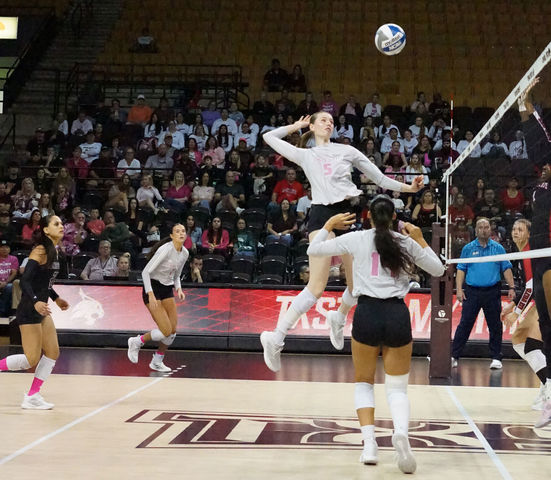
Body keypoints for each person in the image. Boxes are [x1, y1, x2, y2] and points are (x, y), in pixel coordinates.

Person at [259, 113, 424, 372]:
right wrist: (297, 126)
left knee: (357, 286)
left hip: (347, 214)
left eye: (331, 121)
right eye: (322, 120)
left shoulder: (346, 150)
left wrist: (410, 190)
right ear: (313, 126)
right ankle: (275, 337)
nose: (329, 123)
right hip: (323, 216)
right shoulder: (306, 155)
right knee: (316, 288)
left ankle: (339, 316)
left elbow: (379, 178)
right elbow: (268, 137)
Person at [306, 196, 444, 471]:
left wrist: (329, 223)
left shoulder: (356, 238)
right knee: (397, 388)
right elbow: (439, 270)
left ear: (369, 216)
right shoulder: (405, 241)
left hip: (367, 313)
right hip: (396, 314)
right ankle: (401, 432)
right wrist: (420, 238)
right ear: (394, 217)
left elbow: (315, 249)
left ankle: (369, 445)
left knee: (364, 383)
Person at [0, 215, 69, 409]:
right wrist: (37, 301)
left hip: (42, 308)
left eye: (62, 223)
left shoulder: (55, 251)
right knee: (30, 359)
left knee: (53, 352)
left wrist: (55, 298)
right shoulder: (40, 250)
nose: (61, 226)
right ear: (46, 230)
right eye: (56, 224)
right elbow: (25, 281)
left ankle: (32, 395)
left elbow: (44, 283)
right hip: (30, 309)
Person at [518, 77, 551, 427]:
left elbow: (538, 135)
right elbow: (534, 136)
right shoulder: (541, 180)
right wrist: (522, 102)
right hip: (541, 255)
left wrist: (527, 106)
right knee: (544, 324)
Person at [452, 217, 515, 369]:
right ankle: (453, 356)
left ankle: (496, 357)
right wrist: (459, 289)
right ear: (475, 230)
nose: (484, 229)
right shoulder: (467, 248)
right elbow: (461, 269)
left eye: (486, 227)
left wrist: (512, 287)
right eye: (480, 227)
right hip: (472, 291)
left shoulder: (498, 248)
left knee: (495, 325)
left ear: (490, 229)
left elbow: (506, 268)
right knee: (465, 324)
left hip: (492, 291)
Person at [127, 224, 188, 372]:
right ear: (172, 236)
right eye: (177, 231)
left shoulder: (185, 253)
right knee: (165, 330)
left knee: (172, 331)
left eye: (183, 231)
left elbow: (176, 275)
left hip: (166, 288)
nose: (181, 234)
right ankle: (137, 341)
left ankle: (157, 360)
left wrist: (178, 288)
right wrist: (151, 294)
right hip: (152, 287)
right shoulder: (165, 250)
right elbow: (145, 272)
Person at [501, 219, 547, 410]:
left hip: (547, 298)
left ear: (529, 234)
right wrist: (511, 305)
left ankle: (548, 388)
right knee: (519, 339)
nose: (515, 232)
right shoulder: (523, 253)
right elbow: (529, 286)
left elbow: (531, 285)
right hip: (541, 297)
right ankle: (546, 385)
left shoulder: (529, 252)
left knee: (530, 345)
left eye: (520, 229)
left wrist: (517, 312)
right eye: (513, 229)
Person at [0, 239, 18, 317]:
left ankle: (2, 311)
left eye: (6, 247)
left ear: (10, 249)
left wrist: (6, 282)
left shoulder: (13, 259)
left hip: (8, 283)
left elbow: (14, 273)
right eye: (2, 247)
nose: (4, 249)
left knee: (9, 287)